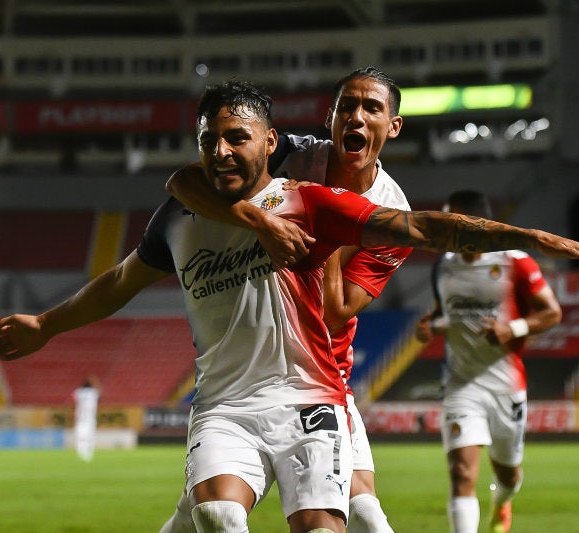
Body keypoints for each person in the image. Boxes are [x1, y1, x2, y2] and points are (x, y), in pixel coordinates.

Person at [0, 80, 579, 533]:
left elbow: (420, 233)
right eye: (210, 140)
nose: (222, 151)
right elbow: (128, 268)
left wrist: (534, 239)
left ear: (269, 141)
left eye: (237, 138)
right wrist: (44, 324)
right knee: (219, 515)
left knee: (349, 516)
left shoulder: (319, 203)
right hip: (227, 403)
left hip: (316, 393)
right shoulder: (187, 206)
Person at [163, 66, 411, 533]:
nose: (355, 118)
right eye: (346, 108)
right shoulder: (289, 155)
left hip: (320, 373)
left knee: (365, 516)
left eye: (371, 108)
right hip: (244, 370)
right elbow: (184, 183)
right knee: (216, 511)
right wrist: (263, 222)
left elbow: (336, 312)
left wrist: (326, 222)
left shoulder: (392, 213)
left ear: (392, 127)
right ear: (330, 117)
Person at [414, 190, 564, 533]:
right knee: (461, 473)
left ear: (477, 226)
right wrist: (429, 325)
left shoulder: (516, 262)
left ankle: (503, 502)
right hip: (460, 385)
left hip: (504, 384)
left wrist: (513, 328)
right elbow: (447, 314)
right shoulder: (444, 267)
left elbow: (552, 312)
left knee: (508, 474)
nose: (445, 229)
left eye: (452, 222)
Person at [73, 376, 100, 462]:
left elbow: (73, 398)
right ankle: (89, 453)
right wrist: (95, 382)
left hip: (80, 417)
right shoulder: (93, 392)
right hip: (90, 417)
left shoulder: (79, 392)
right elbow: (100, 393)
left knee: (81, 436)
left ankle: (81, 452)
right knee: (90, 436)